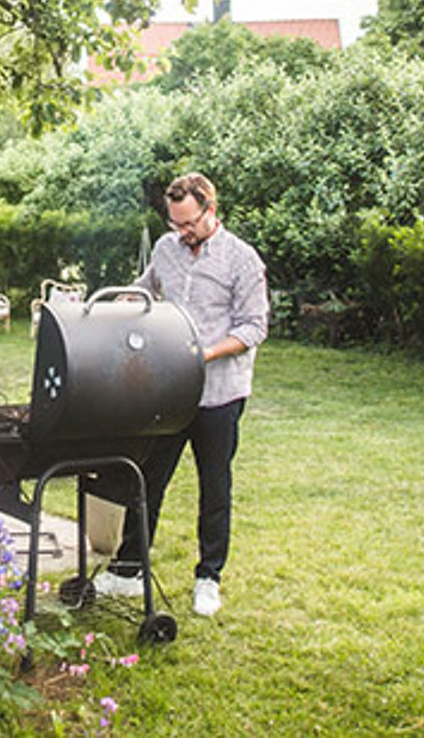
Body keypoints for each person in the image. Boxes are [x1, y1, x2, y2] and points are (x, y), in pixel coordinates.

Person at [94, 172, 268, 618]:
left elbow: (254, 326)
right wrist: (108, 309)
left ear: (210, 210)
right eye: (175, 224)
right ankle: (130, 569)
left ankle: (209, 577)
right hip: (170, 391)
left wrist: (205, 354)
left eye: (189, 223)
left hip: (220, 392)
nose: (182, 233)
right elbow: (146, 290)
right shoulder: (166, 249)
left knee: (215, 486)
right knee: (149, 478)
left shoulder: (241, 260)